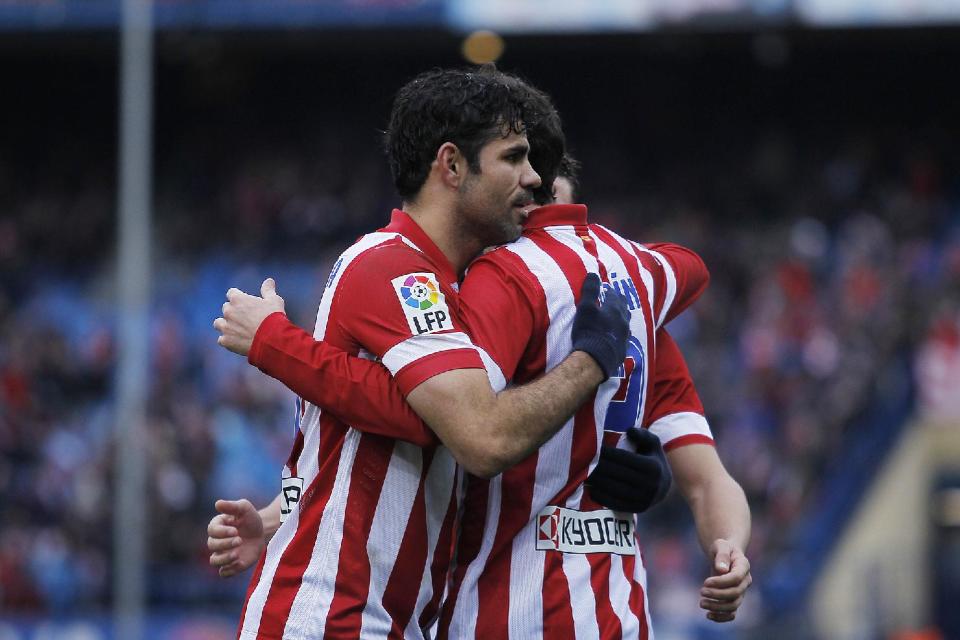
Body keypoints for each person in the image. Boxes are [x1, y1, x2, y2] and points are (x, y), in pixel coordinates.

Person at [214, 70, 724, 636]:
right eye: (513, 158)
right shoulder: (399, 269)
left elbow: (393, 423)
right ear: (452, 166)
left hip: (396, 616)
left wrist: (593, 457)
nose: (532, 182)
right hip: (334, 613)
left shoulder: (463, 290)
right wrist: (590, 362)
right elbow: (478, 435)